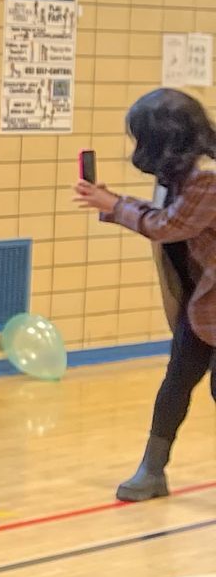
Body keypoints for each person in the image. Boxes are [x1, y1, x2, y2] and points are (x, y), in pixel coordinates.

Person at [76, 85, 216, 500]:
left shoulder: (207, 175)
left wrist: (113, 204)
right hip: (202, 306)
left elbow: (167, 226)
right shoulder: (184, 173)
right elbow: (168, 218)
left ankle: (151, 471)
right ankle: (151, 471)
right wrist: (112, 203)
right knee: (175, 384)